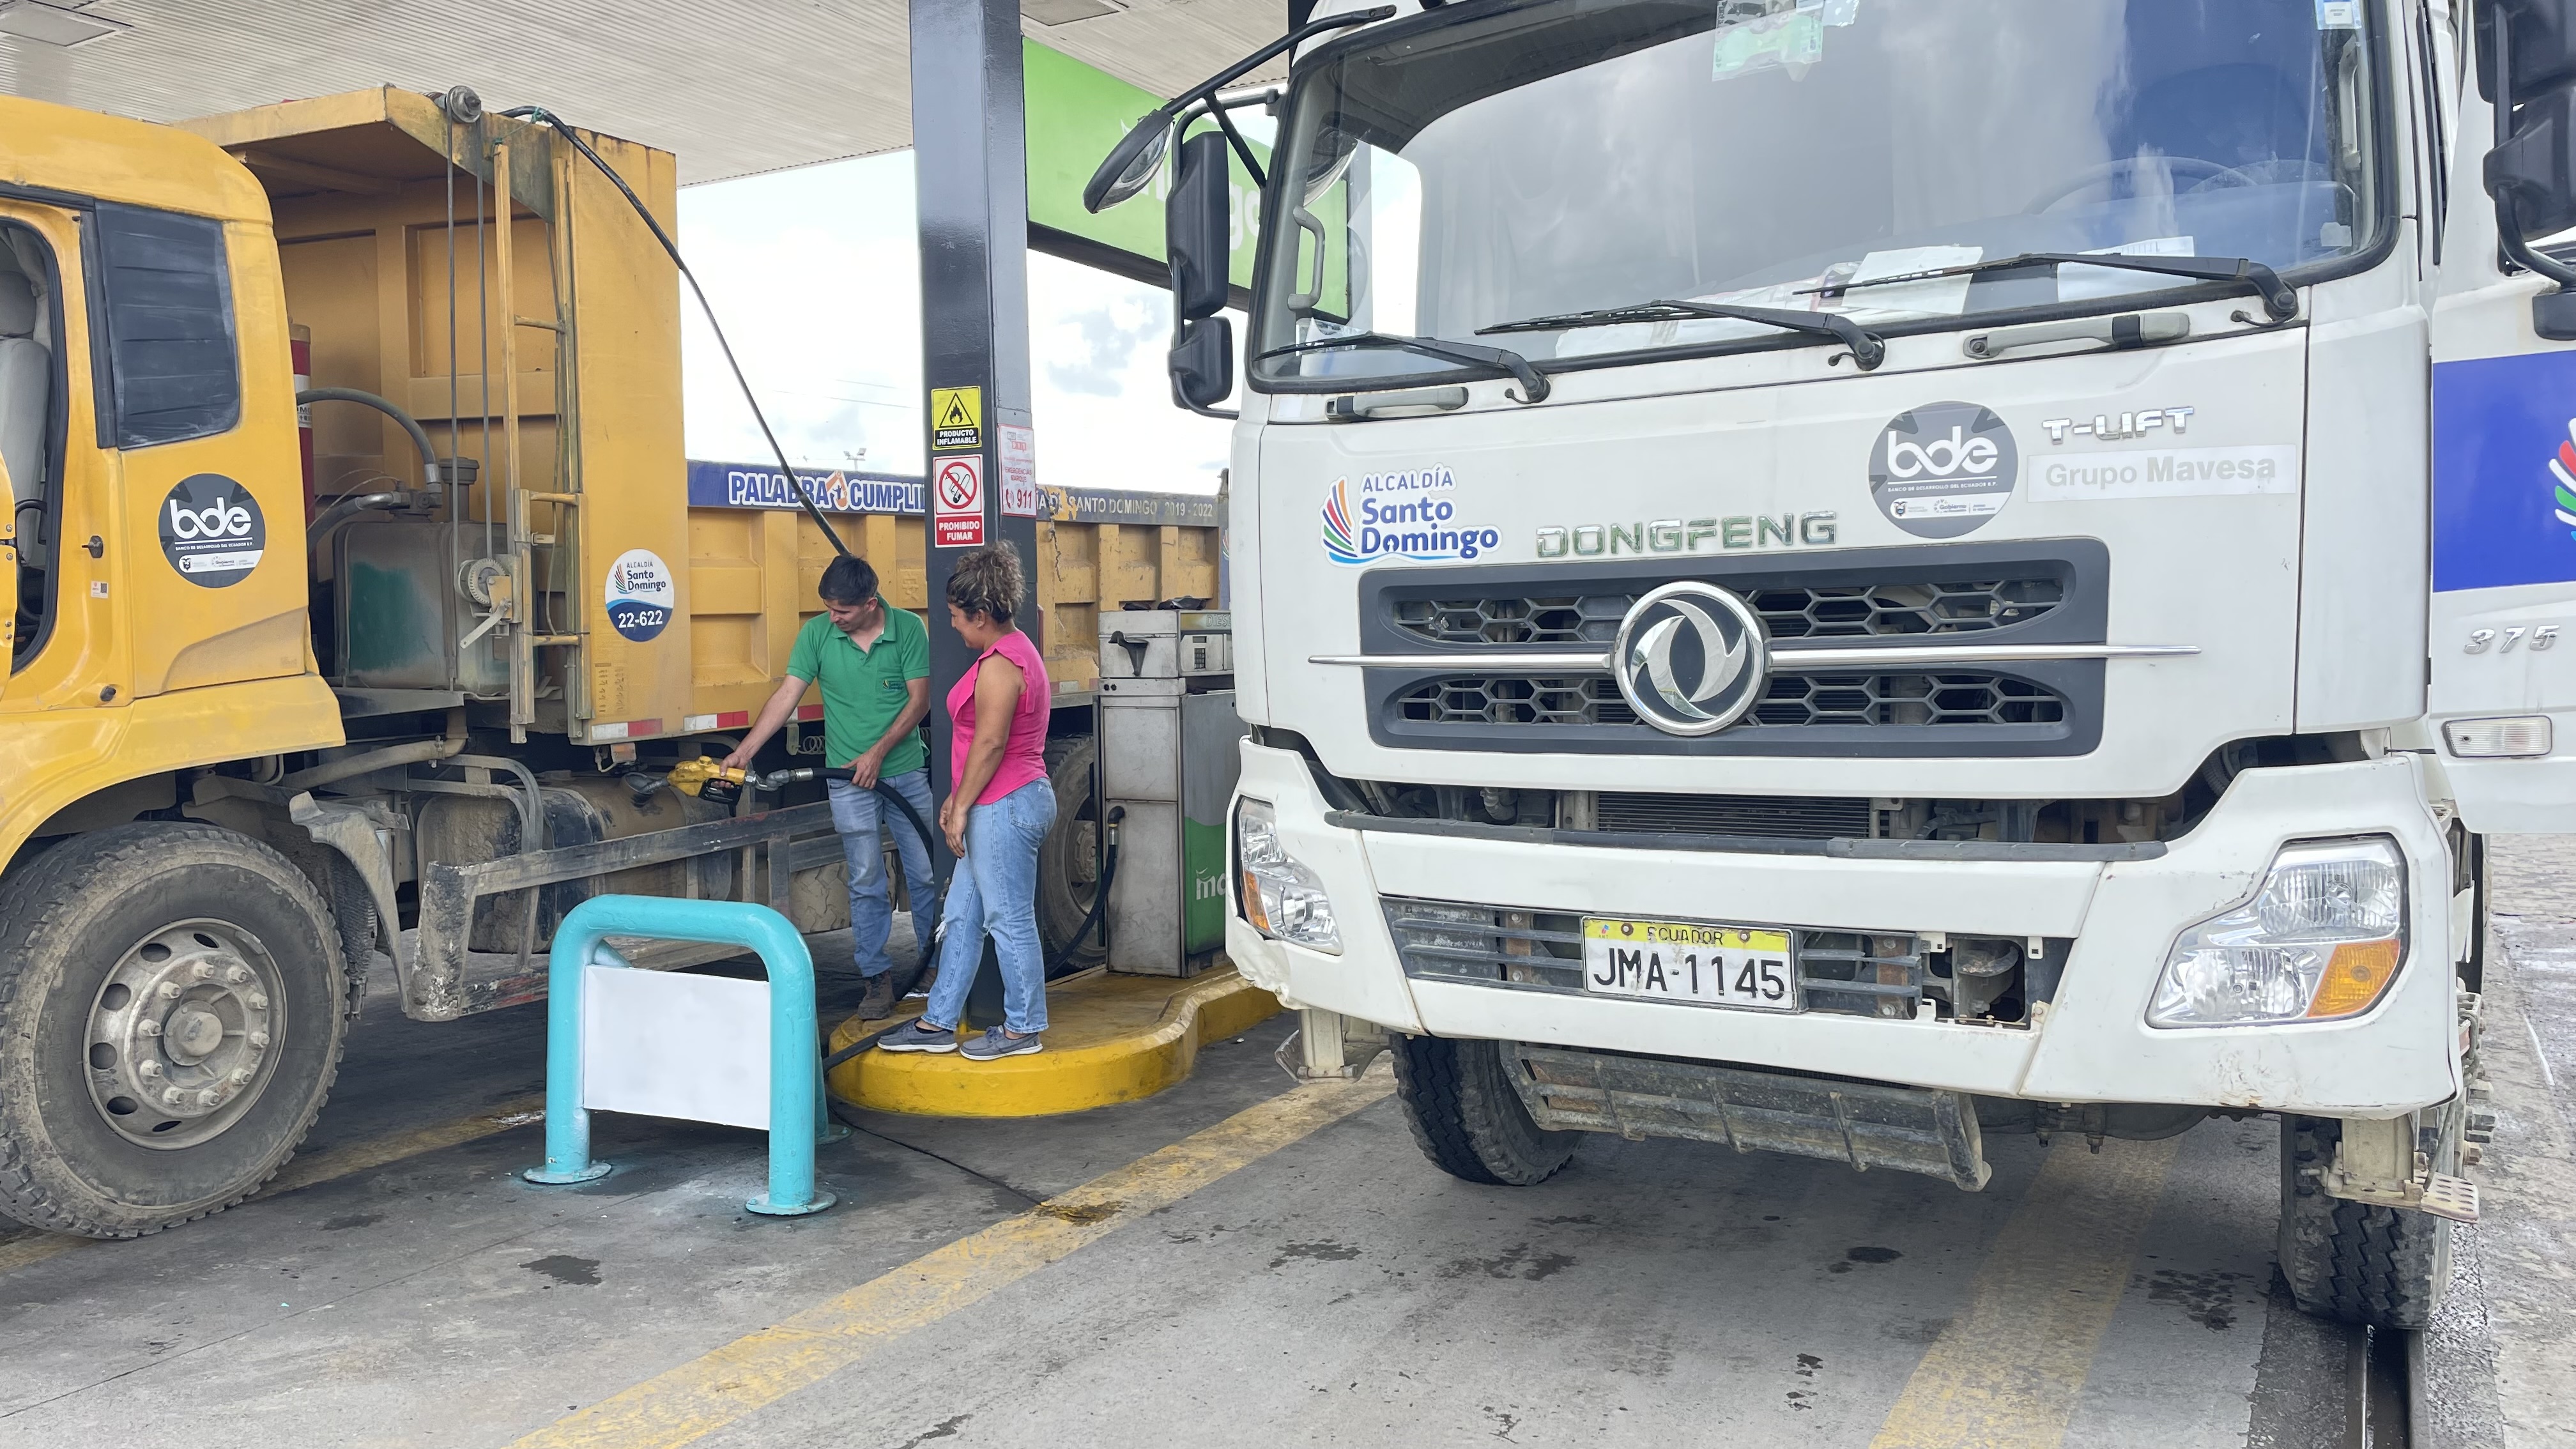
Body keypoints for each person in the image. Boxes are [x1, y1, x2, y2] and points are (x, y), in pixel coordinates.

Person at [724, 554, 935, 1020]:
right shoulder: (817, 634)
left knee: (925, 873)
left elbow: (920, 701)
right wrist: (745, 751)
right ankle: (875, 977)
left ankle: (934, 966)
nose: (833, 618)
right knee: (865, 878)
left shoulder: (908, 629)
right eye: (829, 608)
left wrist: (878, 753)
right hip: (847, 778)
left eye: (842, 610)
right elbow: (787, 696)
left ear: (870, 603)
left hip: (903, 771)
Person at [878, 544, 1056, 1061]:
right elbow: (985, 745)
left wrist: (960, 808)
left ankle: (1023, 1029)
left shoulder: (1002, 665)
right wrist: (959, 797)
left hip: (1006, 805)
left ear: (981, 615)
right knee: (961, 915)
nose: (953, 626)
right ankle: (937, 1022)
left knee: (1008, 919)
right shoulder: (1013, 651)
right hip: (996, 802)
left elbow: (992, 744)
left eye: (957, 617)